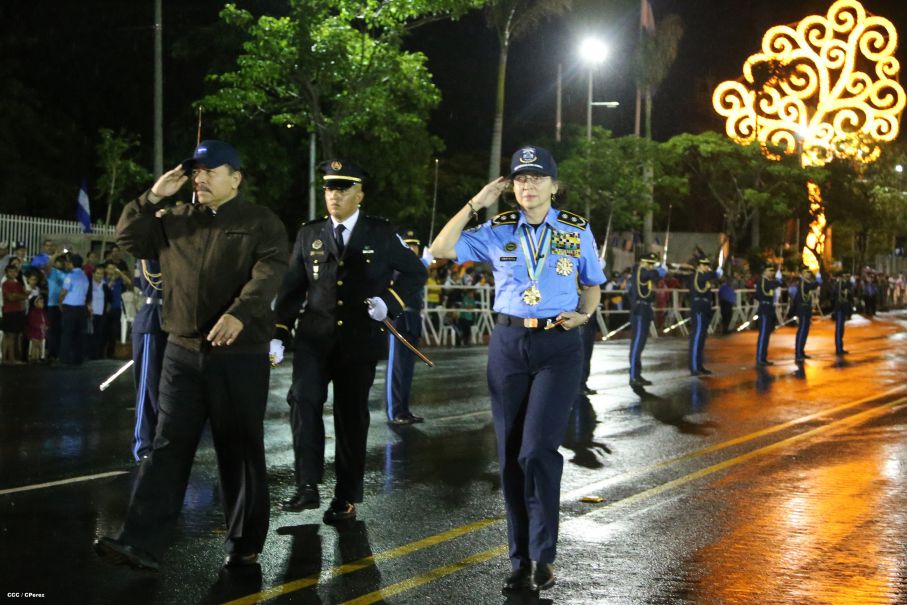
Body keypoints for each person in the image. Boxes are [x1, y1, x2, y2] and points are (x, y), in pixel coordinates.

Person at [94, 140, 288, 571]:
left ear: (235, 178)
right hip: (182, 350)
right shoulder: (174, 219)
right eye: (195, 172)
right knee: (167, 446)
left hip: (238, 353)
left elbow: (270, 272)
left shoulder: (261, 222)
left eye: (209, 171)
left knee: (239, 448)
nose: (199, 179)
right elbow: (128, 237)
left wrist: (240, 314)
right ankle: (140, 542)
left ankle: (244, 542)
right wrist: (153, 196)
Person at [430, 145, 606, 593]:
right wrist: (476, 203)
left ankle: (543, 553)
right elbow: (440, 248)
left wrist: (585, 315)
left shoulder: (575, 229)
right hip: (508, 344)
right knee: (510, 454)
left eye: (537, 177)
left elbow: (592, 284)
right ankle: (520, 560)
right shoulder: (497, 229)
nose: (528, 185)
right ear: (511, 187)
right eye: (520, 179)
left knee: (537, 450)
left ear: (554, 185)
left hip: (558, 345)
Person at [274, 159, 426, 523]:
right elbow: (292, 287)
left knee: (350, 416)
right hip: (314, 337)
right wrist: (278, 332)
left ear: (360, 194)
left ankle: (345, 496)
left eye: (342, 189)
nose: (334, 196)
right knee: (303, 400)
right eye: (329, 188)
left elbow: (415, 272)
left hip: (358, 340)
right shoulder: (310, 233)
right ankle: (307, 485)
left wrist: (389, 303)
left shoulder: (380, 233)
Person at [385, 229, 430, 425]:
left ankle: (404, 409)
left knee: (407, 369)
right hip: (399, 318)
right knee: (396, 368)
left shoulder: (416, 267)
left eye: (415, 246)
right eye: (408, 245)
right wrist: (424, 264)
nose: (413, 248)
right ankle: (395, 411)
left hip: (412, 318)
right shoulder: (398, 265)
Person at [131, 259, 167, 461]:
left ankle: (163, 442)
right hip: (153, 320)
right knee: (148, 388)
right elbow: (156, 282)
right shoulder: (151, 250)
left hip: (176, 321)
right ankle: (143, 446)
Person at [627, 252, 667, 387]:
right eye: (649, 264)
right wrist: (659, 271)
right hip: (639, 312)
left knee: (640, 345)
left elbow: (651, 293)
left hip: (644, 312)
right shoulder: (639, 272)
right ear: (643, 262)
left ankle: (637, 374)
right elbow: (648, 275)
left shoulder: (644, 274)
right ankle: (633, 376)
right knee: (637, 345)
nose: (651, 266)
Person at [688, 256, 722, 376]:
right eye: (704, 265)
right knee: (697, 338)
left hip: (705, 308)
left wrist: (715, 275)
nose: (706, 267)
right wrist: (715, 274)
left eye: (707, 265)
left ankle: (699, 365)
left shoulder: (705, 276)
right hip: (698, 309)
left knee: (702, 339)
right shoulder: (696, 276)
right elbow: (705, 278)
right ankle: (694, 367)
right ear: (698, 266)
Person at [58, 254, 90, 365]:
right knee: (79, 334)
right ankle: (78, 358)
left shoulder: (70, 276)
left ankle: (64, 358)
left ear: (71, 263)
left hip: (69, 307)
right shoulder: (84, 276)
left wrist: (60, 302)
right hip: (81, 307)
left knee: (67, 333)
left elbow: (63, 292)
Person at [755, 265, 784, 367]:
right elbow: (769, 286)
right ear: (764, 272)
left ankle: (763, 357)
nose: (772, 272)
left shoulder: (769, 281)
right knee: (763, 335)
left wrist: (779, 280)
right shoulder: (763, 281)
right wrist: (778, 281)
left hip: (769, 309)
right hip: (764, 309)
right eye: (769, 271)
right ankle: (760, 358)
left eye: (773, 271)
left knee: (766, 335)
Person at [792, 267, 821, 362]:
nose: (808, 274)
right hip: (802, 310)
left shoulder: (806, 283)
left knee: (805, 332)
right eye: (806, 273)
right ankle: (798, 353)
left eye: (809, 273)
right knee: (802, 331)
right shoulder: (802, 283)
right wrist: (817, 281)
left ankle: (801, 351)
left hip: (807, 310)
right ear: (802, 274)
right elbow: (810, 287)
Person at [2, 262, 27, 363]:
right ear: (6, 273)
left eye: (14, 272)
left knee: (13, 335)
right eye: (10, 272)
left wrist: (16, 295)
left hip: (17, 311)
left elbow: (25, 296)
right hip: (9, 311)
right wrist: (18, 296)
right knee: (10, 335)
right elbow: (10, 297)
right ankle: (9, 358)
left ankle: (7, 358)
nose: (13, 273)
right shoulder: (5, 284)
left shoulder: (18, 284)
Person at [832, 272, 855, 356]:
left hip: (844, 308)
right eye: (845, 276)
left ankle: (840, 347)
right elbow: (834, 295)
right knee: (839, 329)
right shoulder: (838, 284)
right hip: (839, 308)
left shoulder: (847, 284)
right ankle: (838, 349)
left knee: (841, 329)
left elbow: (850, 295)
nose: (847, 277)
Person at [25, 294, 47, 362]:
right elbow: (31, 322)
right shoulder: (33, 312)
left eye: (43, 302)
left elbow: (45, 320)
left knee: (39, 345)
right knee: (35, 345)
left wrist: (46, 326)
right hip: (34, 332)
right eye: (40, 302)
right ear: (35, 303)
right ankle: (33, 357)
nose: (42, 304)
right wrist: (39, 326)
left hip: (41, 332)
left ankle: (38, 357)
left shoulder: (43, 312)